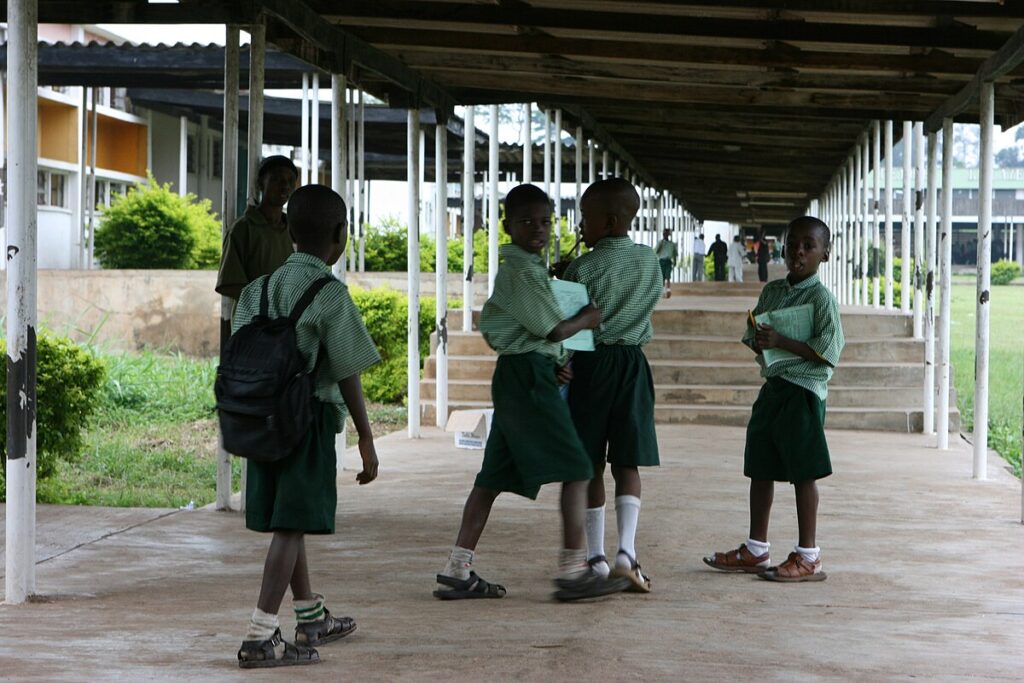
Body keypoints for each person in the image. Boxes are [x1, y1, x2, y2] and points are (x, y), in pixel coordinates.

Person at [434, 183, 630, 602]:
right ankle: (573, 571)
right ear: (506, 226)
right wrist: (588, 319)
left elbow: (540, 334)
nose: (538, 229)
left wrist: (552, 359)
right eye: (526, 222)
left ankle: (457, 567)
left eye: (545, 221)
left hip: (526, 372)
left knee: (491, 478)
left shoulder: (529, 267)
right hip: (527, 379)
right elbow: (555, 329)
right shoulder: (521, 270)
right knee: (578, 468)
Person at [234, 185, 381, 668]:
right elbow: (347, 371)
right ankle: (260, 636)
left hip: (260, 419)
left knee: (286, 519)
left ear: (290, 231)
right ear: (341, 236)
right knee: (292, 524)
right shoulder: (330, 294)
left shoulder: (258, 289)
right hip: (308, 421)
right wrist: (365, 436)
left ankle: (311, 614)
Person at [703, 216, 844, 583]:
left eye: (809, 246)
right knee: (760, 465)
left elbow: (828, 351)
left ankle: (809, 555)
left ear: (824, 254)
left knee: (803, 471)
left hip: (803, 392)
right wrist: (759, 336)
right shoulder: (773, 292)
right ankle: (755, 548)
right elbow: (756, 333)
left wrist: (782, 341)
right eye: (792, 243)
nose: (798, 250)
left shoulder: (821, 300)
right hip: (774, 387)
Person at [562, 178, 663, 592]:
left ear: (610, 220)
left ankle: (596, 558)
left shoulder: (581, 267)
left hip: (590, 365)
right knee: (628, 461)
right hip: (633, 366)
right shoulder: (649, 261)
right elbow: (652, 298)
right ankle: (626, 552)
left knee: (589, 463)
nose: (579, 225)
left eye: (585, 217)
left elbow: (568, 324)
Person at [216, 155, 300, 301]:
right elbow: (228, 285)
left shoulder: (293, 229)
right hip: (255, 322)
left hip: (286, 321)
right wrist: (268, 303)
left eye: (290, 181)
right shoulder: (242, 229)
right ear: (261, 183)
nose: (285, 186)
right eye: (277, 179)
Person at [655, 227, 679, 297]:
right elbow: (656, 251)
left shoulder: (672, 244)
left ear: (669, 235)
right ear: (663, 234)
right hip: (661, 261)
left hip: (668, 261)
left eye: (667, 233)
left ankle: (668, 290)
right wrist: (661, 244)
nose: (665, 235)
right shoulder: (660, 243)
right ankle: (663, 291)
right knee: (662, 277)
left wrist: (675, 261)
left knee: (668, 276)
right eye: (664, 233)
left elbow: (674, 254)